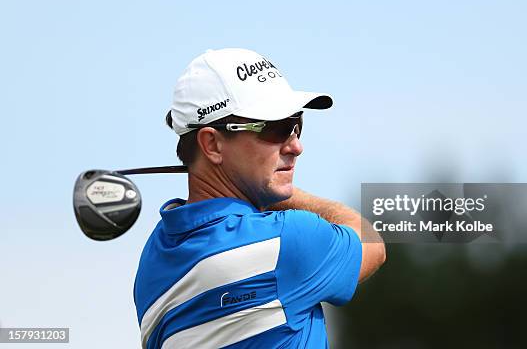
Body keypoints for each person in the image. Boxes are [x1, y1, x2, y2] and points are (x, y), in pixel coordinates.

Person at [133, 48, 386, 349]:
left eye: (296, 126)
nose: (296, 146)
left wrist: (257, 188)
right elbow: (371, 241)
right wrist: (278, 195)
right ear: (212, 144)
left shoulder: (154, 257)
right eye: (275, 129)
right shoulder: (288, 241)